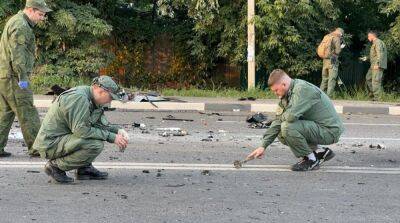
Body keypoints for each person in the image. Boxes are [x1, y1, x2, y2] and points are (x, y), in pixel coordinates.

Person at [33, 76, 130, 184]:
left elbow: (98, 124)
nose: (110, 101)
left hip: (62, 139)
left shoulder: (93, 100)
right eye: (110, 97)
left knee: (95, 136)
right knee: (95, 144)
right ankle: (55, 167)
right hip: (50, 144)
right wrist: (110, 137)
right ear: (100, 91)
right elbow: (81, 131)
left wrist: (117, 131)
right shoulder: (80, 98)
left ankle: (84, 169)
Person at [247, 69, 344, 171]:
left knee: (287, 127)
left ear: (283, 84)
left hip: (329, 130)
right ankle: (320, 152)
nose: (275, 93)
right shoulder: (287, 94)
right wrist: (263, 146)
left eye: (276, 90)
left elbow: (290, 117)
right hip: (317, 127)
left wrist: (280, 118)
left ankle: (311, 160)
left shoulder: (302, 90)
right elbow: (277, 121)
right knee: (281, 130)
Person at [0, 0, 52, 157]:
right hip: (15, 77)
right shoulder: (22, 26)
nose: (42, 18)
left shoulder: (15, 21)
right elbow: (18, 55)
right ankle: (38, 148)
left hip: (5, 76)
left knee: (5, 112)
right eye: (40, 14)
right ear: (30, 10)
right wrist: (22, 77)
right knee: (27, 111)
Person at [319, 28, 345, 97]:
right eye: (341, 35)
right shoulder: (336, 38)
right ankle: (329, 96)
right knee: (332, 79)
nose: (341, 36)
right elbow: (337, 51)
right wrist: (341, 47)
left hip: (325, 60)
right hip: (332, 60)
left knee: (324, 79)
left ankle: (321, 96)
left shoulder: (327, 36)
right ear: (340, 33)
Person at [363, 31, 387, 101]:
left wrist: (377, 64)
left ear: (372, 36)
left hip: (377, 65)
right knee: (368, 78)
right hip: (373, 65)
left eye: (368, 36)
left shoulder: (378, 42)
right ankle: (373, 95)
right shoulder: (375, 43)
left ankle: (377, 98)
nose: (368, 38)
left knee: (376, 81)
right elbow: (375, 55)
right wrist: (367, 58)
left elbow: (380, 53)